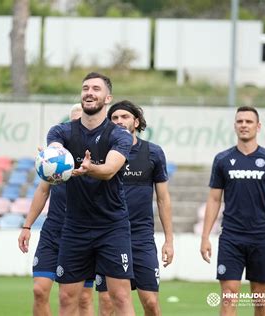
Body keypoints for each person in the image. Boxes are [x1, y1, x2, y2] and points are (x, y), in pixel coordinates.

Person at [46, 72, 135, 316]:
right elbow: (54, 148)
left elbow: (109, 170)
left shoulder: (119, 135)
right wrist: (50, 158)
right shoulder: (61, 131)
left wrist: (90, 168)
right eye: (86, 88)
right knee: (66, 297)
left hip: (112, 226)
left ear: (108, 98)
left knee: (119, 296)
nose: (89, 92)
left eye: (96, 89)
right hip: (74, 227)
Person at [200, 106, 265, 315]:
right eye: (240, 122)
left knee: (260, 300)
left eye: (248, 122)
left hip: (262, 238)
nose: (244, 125)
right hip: (231, 237)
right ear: (234, 126)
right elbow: (214, 199)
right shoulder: (222, 160)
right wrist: (205, 237)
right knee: (229, 298)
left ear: (258, 127)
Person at [96, 100, 174, 316]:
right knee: (107, 304)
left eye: (125, 117)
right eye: (114, 118)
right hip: (109, 237)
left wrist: (169, 240)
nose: (119, 121)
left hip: (141, 238)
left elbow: (163, 199)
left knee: (150, 302)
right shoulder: (102, 153)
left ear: (136, 121)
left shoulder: (153, 152)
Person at [18, 103, 94, 316]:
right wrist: (26, 226)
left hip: (82, 235)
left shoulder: (97, 159)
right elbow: (42, 192)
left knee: (83, 297)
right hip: (53, 231)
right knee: (39, 290)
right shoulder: (55, 162)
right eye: (74, 123)